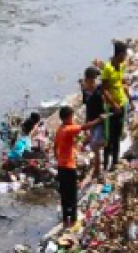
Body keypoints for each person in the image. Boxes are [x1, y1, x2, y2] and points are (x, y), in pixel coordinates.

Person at [53, 105, 105, 228]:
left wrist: (58, 158)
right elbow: (84, 127)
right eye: (72, 116)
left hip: (61, 166)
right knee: (72, 194)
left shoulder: (60, 129)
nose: (73, 118)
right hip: (69, 167)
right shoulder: (68, 129)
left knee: (65, 194)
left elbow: (55, 147)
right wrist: (99, 120)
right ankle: (73, 221)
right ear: (67, 118)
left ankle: (65, 220)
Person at [93, 39, 130, 173]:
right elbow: (104, 90)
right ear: (119, 54)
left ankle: (115, 162)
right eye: (124, 54)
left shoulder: (121, 66)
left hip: (121, 105)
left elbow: (122, 82)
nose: (125, 57)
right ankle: (105, 165)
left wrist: (128, 97)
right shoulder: (108, 69)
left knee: (118, 135)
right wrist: (114, 105)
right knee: (109, 137)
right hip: (111, 108)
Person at [81, 67, 107, 181]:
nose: (92, 83)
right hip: (91, 122)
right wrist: (86, 124)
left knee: (95, 145)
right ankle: (97, 169)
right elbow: (87, 106)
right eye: (90, 81)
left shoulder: (99, 90)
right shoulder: (85, 91)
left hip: (100, 121)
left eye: (93, 81)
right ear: (86, 80)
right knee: (94, 146)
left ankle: (98, 171)